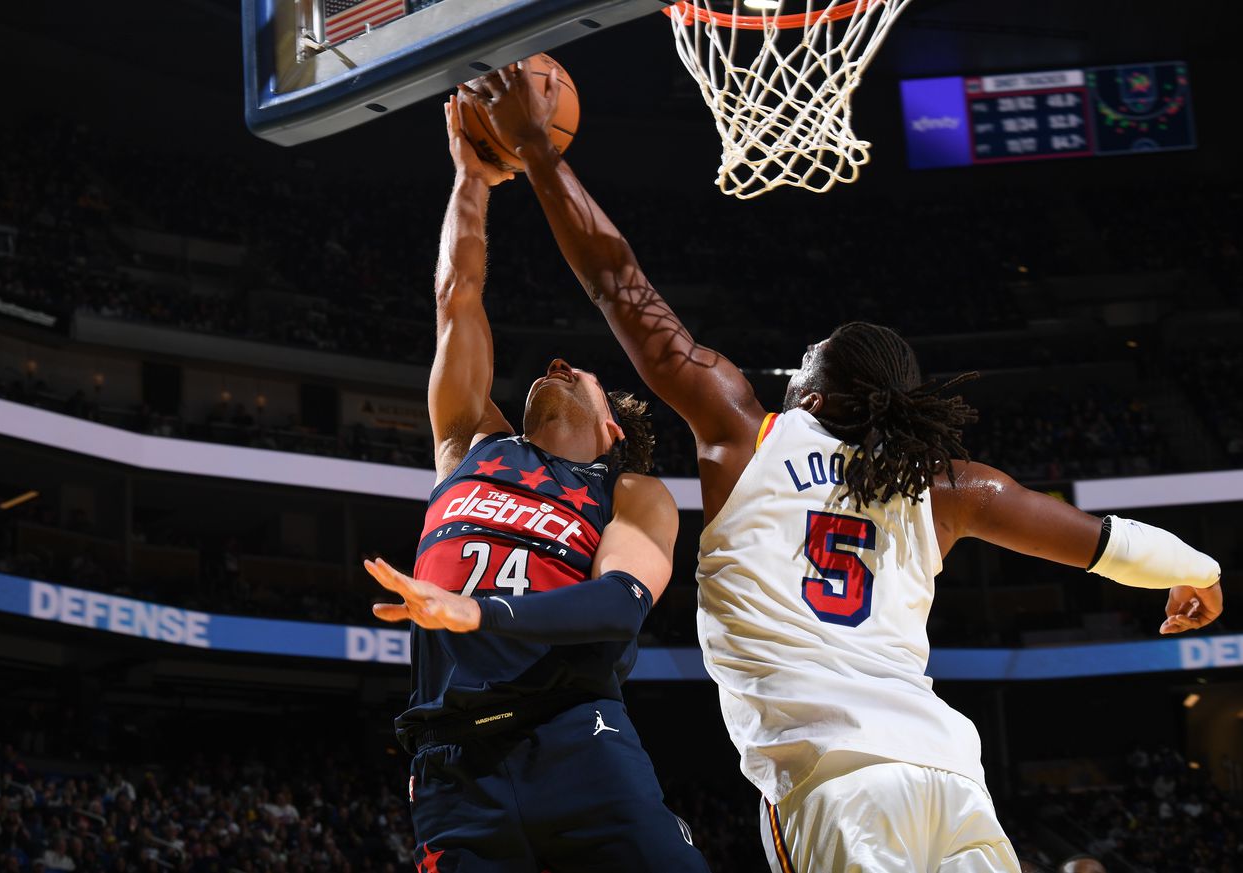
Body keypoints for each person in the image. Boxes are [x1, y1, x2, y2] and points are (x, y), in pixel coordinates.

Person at [463, 61, 1225, 873]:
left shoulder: (746, 434)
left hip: (833, 782)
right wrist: (1200, 568)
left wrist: (540, 150)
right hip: (948, 779)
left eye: (804, 362)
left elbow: (619, 285)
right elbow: (1101, 540)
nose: (788, 370)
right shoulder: (950, 487)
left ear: (822, 395)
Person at [363, 94, 709, 873]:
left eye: (575, 370)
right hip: (452, 768)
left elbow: (621, 602)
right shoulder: (470, 443)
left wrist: (477, 608)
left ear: (613, 428)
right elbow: (457, 298)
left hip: (575, 740)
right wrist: (471, 180)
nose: (555, 364)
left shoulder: (629, 491)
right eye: (551, 364)